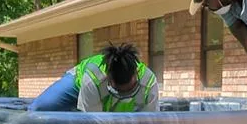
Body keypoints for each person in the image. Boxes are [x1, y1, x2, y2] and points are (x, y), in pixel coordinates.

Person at [28, 43, 159, 112]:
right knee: (37, 109)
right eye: (120, 91)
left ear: (136, 74)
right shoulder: (93, 78)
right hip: (78, 84)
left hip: (102, 95)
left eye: (129, 90)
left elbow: (151, 122)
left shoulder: (149, 82)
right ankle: (76, 108)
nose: (124, 95)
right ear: (109, 78)